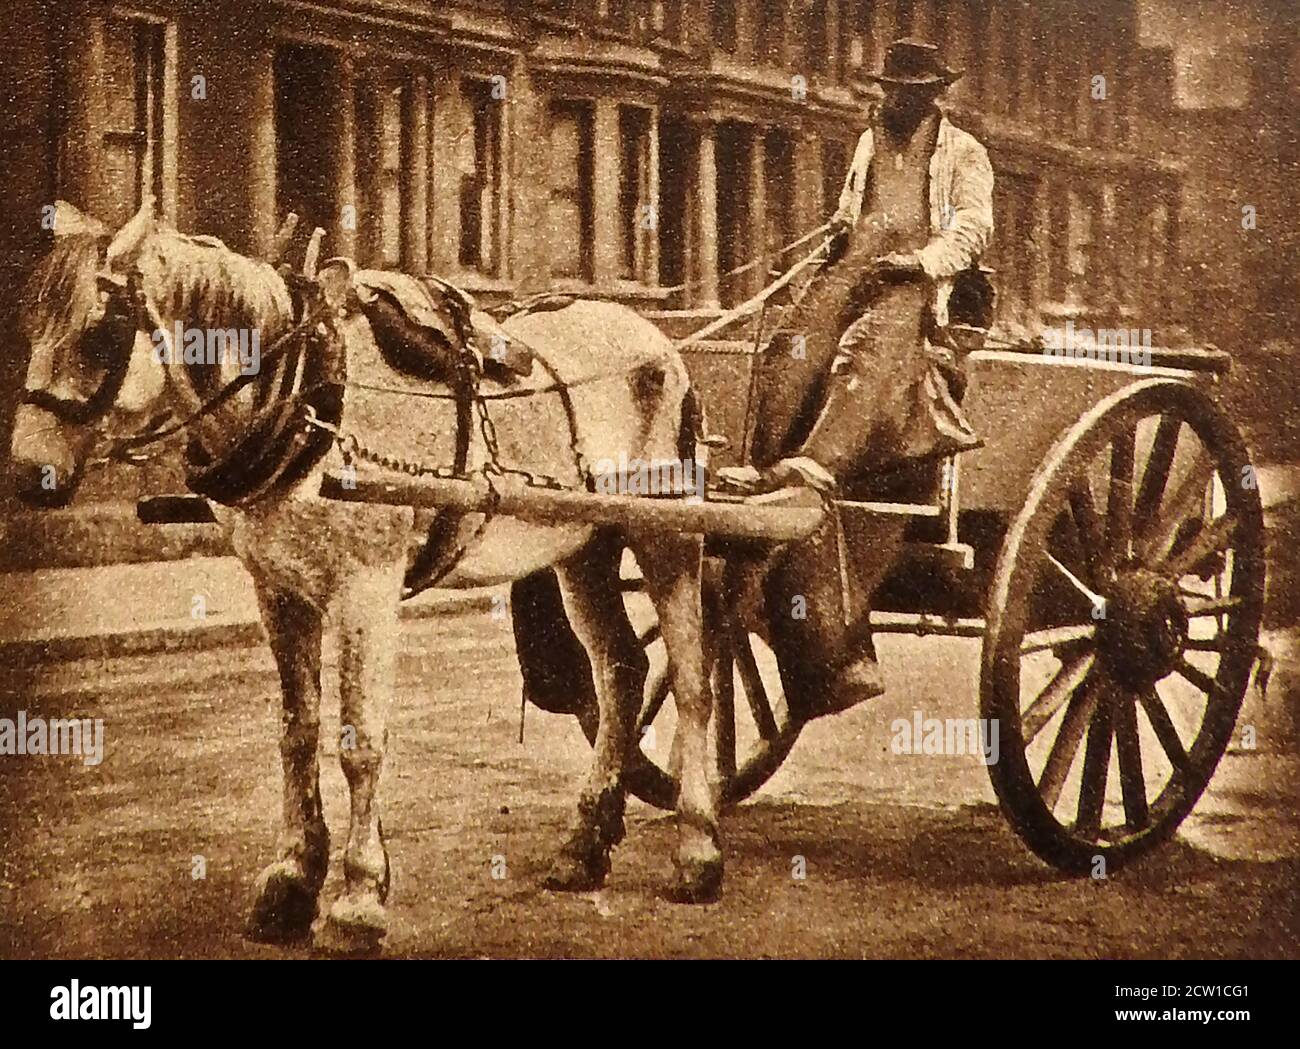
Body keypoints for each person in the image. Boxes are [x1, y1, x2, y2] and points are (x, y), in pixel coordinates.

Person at [724, 38, 994, 720]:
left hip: (918, 290)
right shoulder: (869, 143)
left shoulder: (962, 153)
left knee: (864, 350)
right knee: (790, 340)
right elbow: (850, 216)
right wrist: (832, 244)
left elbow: (973, 230)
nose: (894, 101)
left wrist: (921, 264)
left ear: (932, 95)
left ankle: (816, 465)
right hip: (859, 272)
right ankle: (767, 462)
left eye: (909, 92)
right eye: (889, 91)